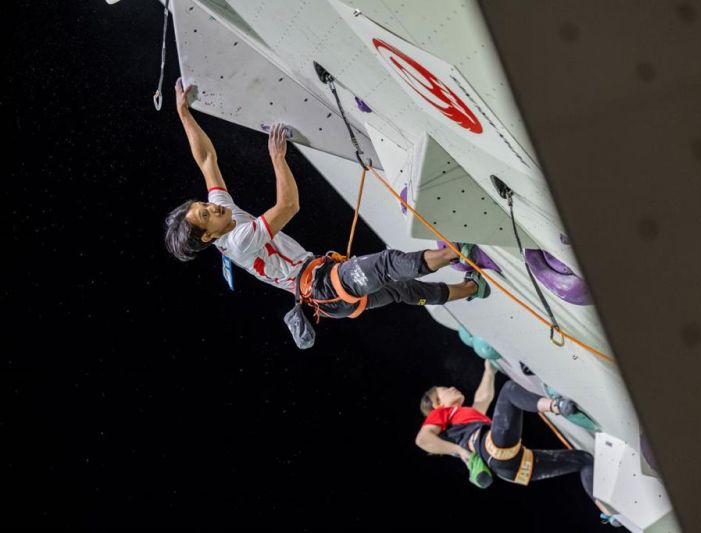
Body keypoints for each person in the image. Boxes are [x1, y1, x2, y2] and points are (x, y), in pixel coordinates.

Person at [164, 78, 490, 320]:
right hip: (325, 289)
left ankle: (474, 288)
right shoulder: (236, 241)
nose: (211, 207)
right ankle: (453, 253)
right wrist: (278, 157)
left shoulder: (225, 214)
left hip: (325, 279)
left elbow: (207, 160)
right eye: (205, 215)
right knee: (388, 265)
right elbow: (289, 206)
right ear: (209, 236)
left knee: (404, 291)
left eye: (203, 205)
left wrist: (183, 114)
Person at [416, 361, 596, 500]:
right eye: (444, 390)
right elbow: (422, 440)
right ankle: (557, 405)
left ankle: (609, 512)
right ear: (438, 405)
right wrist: (460, 451)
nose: (451, 388)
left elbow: (482, 400)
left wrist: (489, 370)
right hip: (492, 449)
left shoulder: (462, 419)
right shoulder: (441, 413)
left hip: (511, 468)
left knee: (583, 459)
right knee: (509, 390)